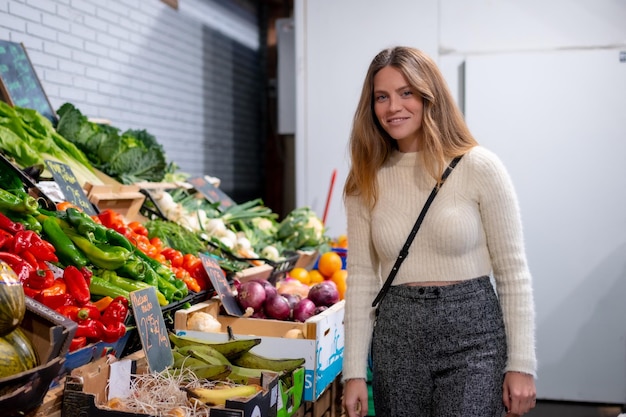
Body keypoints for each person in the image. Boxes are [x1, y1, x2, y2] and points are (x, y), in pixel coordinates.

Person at [341, 46, 537, 417]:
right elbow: (363, 279)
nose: (393, 107)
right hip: (397, 337)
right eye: (381, 97)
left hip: (475, 336)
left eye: (406, 93)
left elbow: (513, 273)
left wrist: (521, 364)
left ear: (429, 96)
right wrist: (353, 373)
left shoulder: (480, 166)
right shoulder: (365, 180)